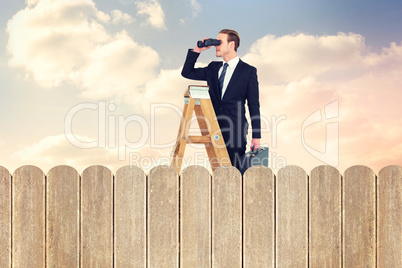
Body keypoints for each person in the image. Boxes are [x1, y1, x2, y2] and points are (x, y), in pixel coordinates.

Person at [181, 29, 261, 170]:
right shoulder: (213, 68)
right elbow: (187, 72)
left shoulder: (248, 71)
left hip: (235, 130)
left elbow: (254, 105)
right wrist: (197, 50)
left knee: (235, 171)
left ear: (232, 45)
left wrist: (256, 136)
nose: (216, 46)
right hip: (214, 127)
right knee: (219, 171)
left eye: (220, 42)